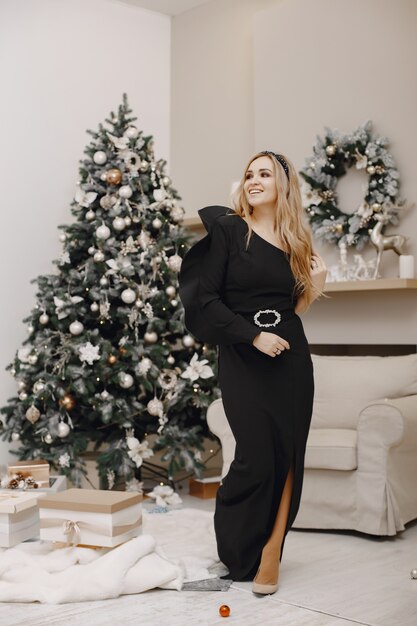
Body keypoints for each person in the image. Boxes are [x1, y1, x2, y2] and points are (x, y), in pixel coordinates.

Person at [178, 150, 327, 595]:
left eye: (264, 173)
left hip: (292, 359)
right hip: (244, 355)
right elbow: (206, 300)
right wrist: (252, 336)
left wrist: (315, 288)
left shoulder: (296, 241)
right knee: (256, 456)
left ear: (284, 184)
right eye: (249, 174)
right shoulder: (229, 230)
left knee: (288, 459)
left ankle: (270, 554)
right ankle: (239, 546)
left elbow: (292, 308)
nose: (254, 180)